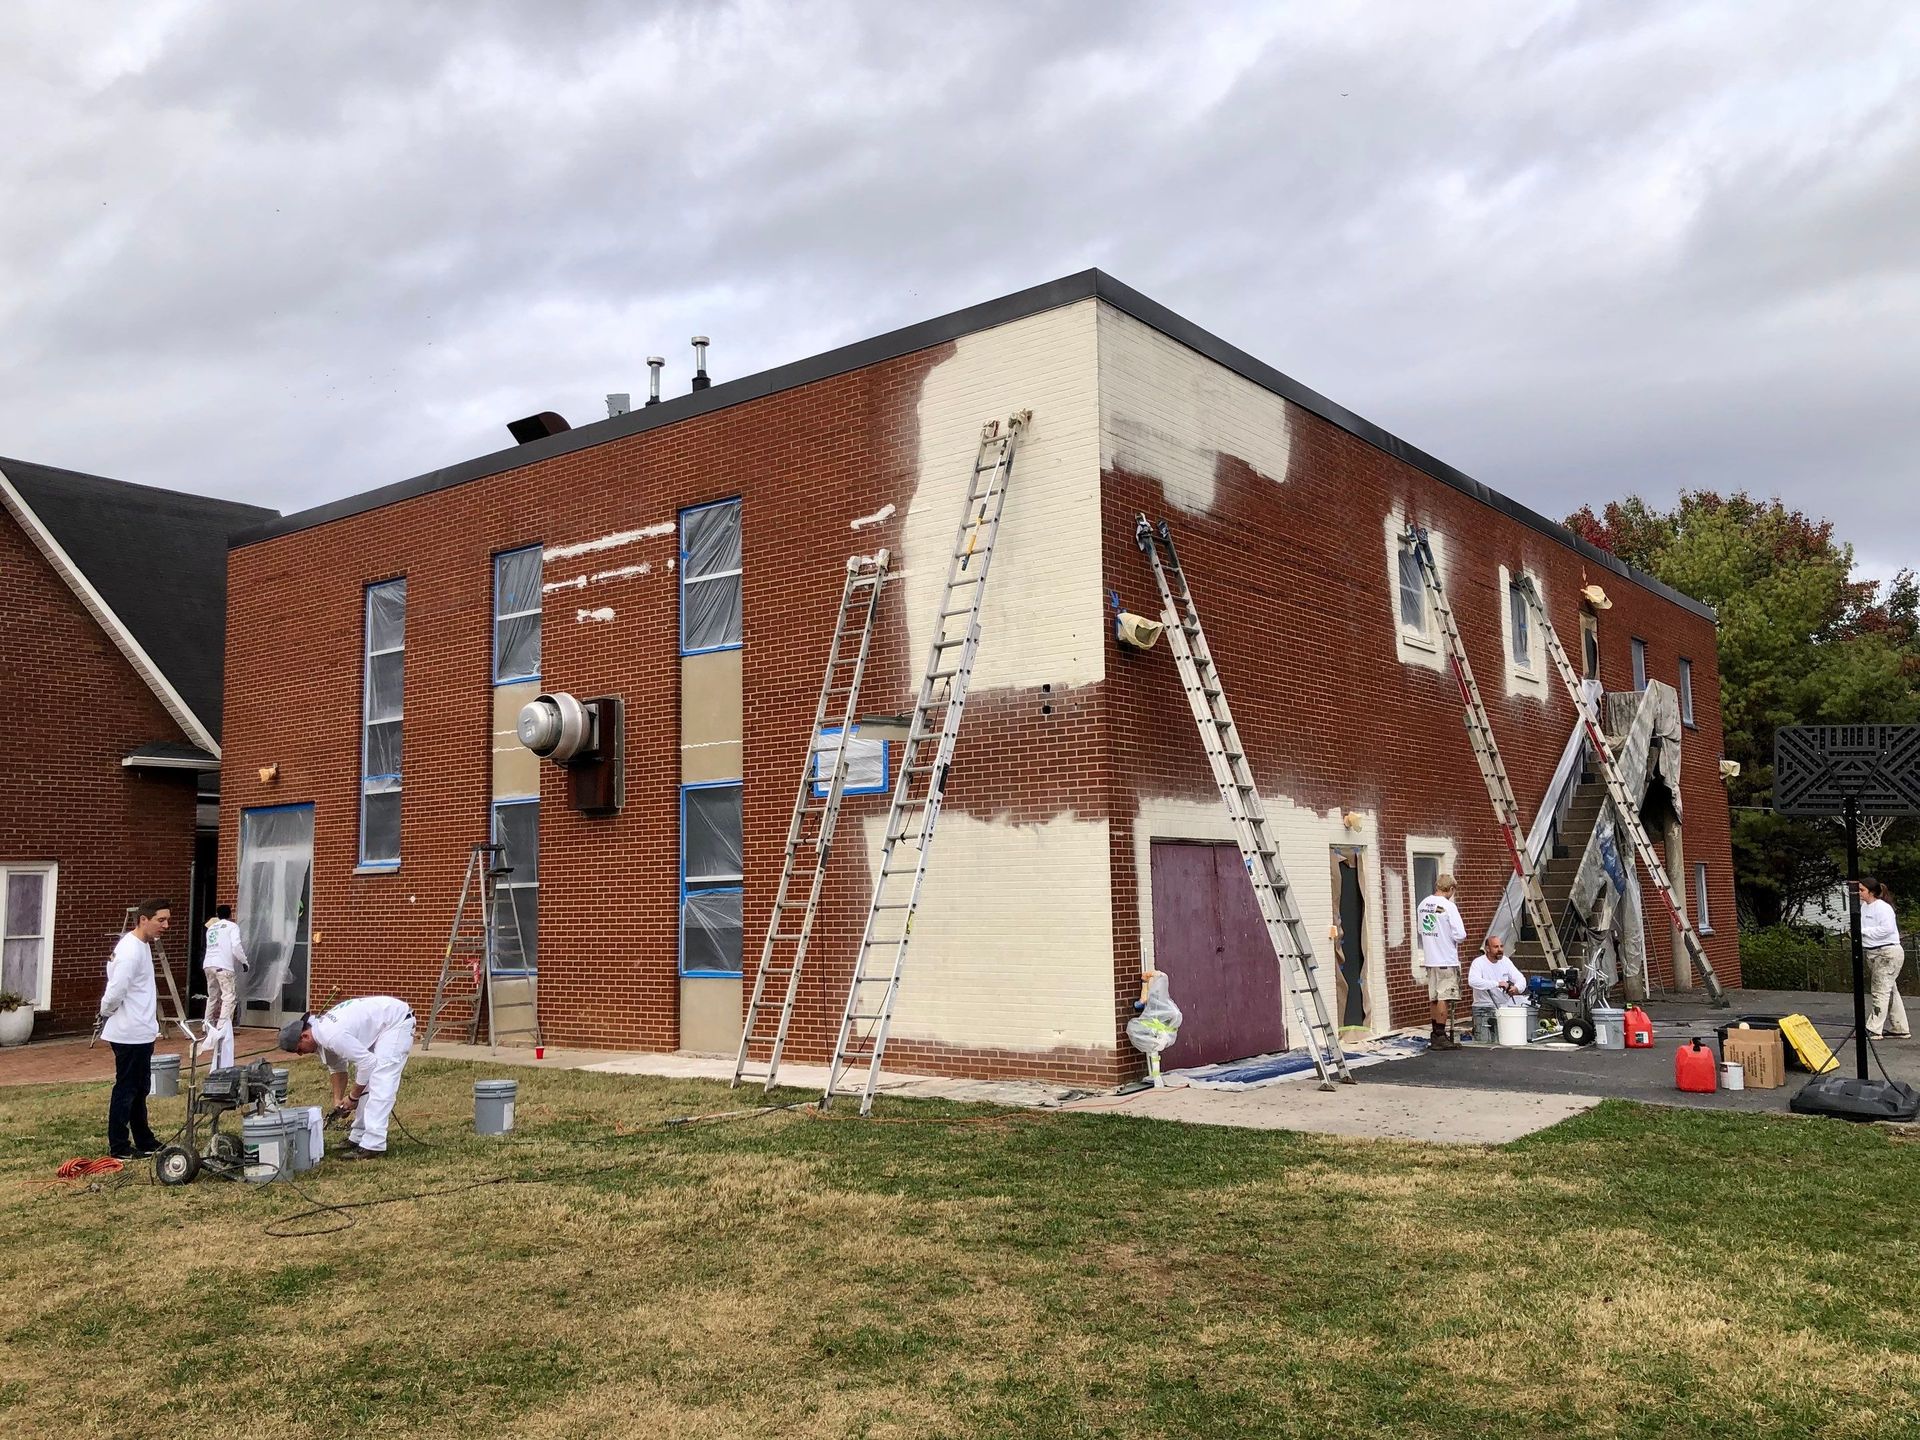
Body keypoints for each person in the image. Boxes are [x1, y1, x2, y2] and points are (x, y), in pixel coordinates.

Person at [278, 995, 416, 1160]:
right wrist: (338, 1100)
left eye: (299, 1049)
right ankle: (358, 1136)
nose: (301, 1054)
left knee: (381, 1079)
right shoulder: (320, 1033)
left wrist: (353, 1097)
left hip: (395, 1021)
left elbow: (368, 1064)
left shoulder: (331, 1035)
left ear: (304, 1036)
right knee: (366, 1079)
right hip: (381, 1025)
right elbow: (337, 1068)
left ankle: (373, 1144)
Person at [98, 899, 171, 1159]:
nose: (166, 925)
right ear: (143, 919)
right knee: (127, 1089)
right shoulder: (129, 950)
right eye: (161, 920)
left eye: (167, 920)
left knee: (140, 1089)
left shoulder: (143, 946)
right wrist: (105, 1011)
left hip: (141, 1031)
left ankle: (144, 1140)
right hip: (128, 1033)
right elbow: (115, 990)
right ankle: (119, 1146)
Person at [1414, 874, 1467, 1049]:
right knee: (1444, 996)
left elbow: (1421, 930)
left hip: (1430, 959)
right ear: (1451, 889)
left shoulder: (1423, 904)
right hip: (1446, 958)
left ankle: (1435, 1034)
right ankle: (1441, 1035)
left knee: (1434, 997)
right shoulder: (1449, 907)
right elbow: (1460, 935)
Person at [197, 904, 249, 1063]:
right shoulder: (232, 926)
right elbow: (236, 946)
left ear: (217, 915)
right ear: (230, 914)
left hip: (208, 965)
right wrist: (244, 961)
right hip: (223, 966)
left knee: (212, 996)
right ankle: (222, 1027)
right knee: (228, 997)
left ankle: (206, 1025)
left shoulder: (211, 928)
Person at [1860, 876, 1908, 1041]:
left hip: (1887, 952)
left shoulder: (1883, 908)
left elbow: (1886, 929)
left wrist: (1863, 932)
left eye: (1862, 890)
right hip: (1873, 952)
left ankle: (1874, 1029)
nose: (1859, 893)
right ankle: (1900, 1027)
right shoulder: (1864, 907)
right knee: (1890, 990)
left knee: (1880, 990)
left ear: (1872, 892)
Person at [1468, 933, 1528, 1009]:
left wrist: (1516, 988)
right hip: (1484, 1006)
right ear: (1487, 949)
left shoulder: (1505, 961)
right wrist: (1497, 984)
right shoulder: (1478, 962)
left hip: (1504, 1006)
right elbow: (1473, 981)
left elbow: (1520, 978)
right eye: (1496, 947)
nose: (1500, 949)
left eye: (1501, 946)